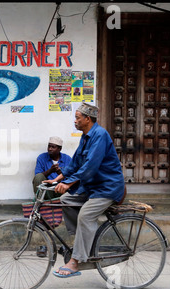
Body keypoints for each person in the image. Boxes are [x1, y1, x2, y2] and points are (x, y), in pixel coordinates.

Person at [44, 103, 125, 278]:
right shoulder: (85, 136)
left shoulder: (100, 135)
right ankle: (83, 241)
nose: (75, 121)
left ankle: (76, 261)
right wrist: (57, 180)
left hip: (107, 188)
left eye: (77, 117)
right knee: (66, 200)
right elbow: (75, 163)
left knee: (85, 215)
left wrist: (69, 183)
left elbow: (90, 166)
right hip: (93, 187)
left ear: (87, 119)